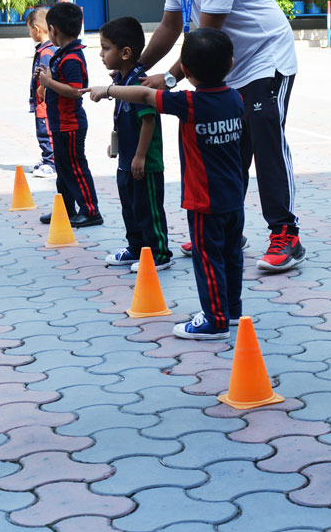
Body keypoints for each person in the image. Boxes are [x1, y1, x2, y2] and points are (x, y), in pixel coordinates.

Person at [138, 0, 304, 274]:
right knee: (227, 147)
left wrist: (168, 78)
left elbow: (205, 38)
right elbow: (169, 27)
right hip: (227, 65)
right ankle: (228, 228)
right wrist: (136, 69)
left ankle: (286, 235)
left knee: (265, 141)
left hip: (265, 60)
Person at [90, 28, 244, 340]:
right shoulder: (236, 98)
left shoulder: (190, 103)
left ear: (185, 70)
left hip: (203, 201)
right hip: (234, 197)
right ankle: (230, 309)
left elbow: (146, 96)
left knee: (208, 258)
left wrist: (108, 90)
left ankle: (214, 321)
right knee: (231, 255)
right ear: (230, 63)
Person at [97, 16, 172, 272]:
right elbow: (124, 117)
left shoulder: (139, 83)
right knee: (130, 208)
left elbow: (148, 121)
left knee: (148, 209)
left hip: (144, 163)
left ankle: (159, 253)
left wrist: (140, 156)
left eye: (106, 48)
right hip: (126, 161)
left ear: (126, 53)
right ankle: (137, 248)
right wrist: (116, 143)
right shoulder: (122, 81)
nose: (101, 54)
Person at [35, 2, 101, 228]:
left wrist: (49, 82)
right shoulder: (63, 55)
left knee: (75, 168)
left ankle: (90, 210)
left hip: (70, 124)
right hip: (60, 123)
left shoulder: (72, 57)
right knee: (63, 171)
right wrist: (47, 77)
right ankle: (65, 209)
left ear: (53, 29)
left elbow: (75, 91)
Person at [26, 8, 57, 179]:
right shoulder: (46, 49)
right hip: (41, 102)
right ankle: (47, 159)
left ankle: (51, 162)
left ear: (36, 29)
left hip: (44, 103)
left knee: (46, 132)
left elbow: (47, 75)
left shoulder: (46, 52)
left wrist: (41, 89)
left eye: (29, 30)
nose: (30, 33)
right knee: (44, 131)